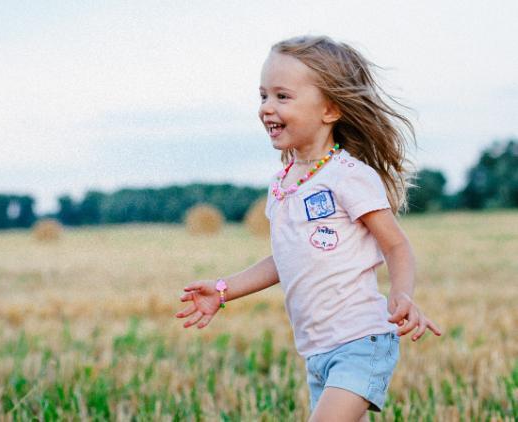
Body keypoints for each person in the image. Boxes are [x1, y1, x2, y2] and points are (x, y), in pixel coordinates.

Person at [174, 34, 442, 421]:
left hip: (360, 342)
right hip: (316, 351)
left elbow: (396, 246)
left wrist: (402, 295)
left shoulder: (349, 176)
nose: (267, 107)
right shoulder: (283, 184)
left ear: (330, 109)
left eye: (282, 97)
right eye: (263, 96)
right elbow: (284, 258)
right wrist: (223, 289)